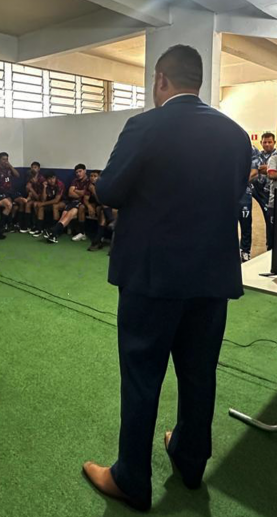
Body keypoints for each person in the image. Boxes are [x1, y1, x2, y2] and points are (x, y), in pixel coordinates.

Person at [81, 44, 251, 511]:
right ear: (199, 80)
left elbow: (109, 190)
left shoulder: (145, 125)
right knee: (199, 374)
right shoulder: (236, 135)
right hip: (211, 276)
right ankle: (191, 461)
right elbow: (234, 193)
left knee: (142, 376)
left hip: (153, 278)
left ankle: (132, 479)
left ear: (161, 80)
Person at [45, 164, 90, 244]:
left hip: (82, 203)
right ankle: (55, 234)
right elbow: (70, 193)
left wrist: (75, 190)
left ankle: (54, 231)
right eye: (76, 172)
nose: (78, 174)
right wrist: (79, 192)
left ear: (85, 171)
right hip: (73, 202)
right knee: (64, 213)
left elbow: (84, 194)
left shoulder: (89, 181)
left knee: (70, 214)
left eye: (80, 171)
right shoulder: (75, 181)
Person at [252, 132, 277, 249]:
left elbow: (275, 170)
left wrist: (265, 168)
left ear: (274, 142)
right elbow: (254, 168)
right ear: (261, 143)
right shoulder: (258, 155)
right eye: (264, 142)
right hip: (257, 189)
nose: (267, 144)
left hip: (271, 191)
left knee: (271, 219)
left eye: (269, 142)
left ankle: (272, 245)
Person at [238, 147, 259, 262]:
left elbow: (254, 172)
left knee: (245, 223)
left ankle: (245, 251)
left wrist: (238, 183)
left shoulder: (250, 149)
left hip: (244, 192)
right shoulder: (224, 146)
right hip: (225, 193)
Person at [31, 171, 64, 237]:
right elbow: (43, 199)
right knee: (40, 206)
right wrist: (44, 188)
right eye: (49, 179)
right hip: (49, 202)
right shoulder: (45, 185)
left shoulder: (60, 184)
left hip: (62, 201)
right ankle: (40, 229)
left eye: (53, 178)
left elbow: (56, 200)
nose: (51, 180)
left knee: (55, 206)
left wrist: (43, 204)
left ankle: (55, 230)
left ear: (55, 178)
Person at [14, 161, 42, 233]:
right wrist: (28, 197)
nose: (33, 169)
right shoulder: (30, 179)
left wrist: (31, 189)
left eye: (35, 167)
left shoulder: (41, 179)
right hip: (32, 198)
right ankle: (27, 225)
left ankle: (37, 226)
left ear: (39, 169)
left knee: (36, 204)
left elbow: (39, 197)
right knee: (27, 204)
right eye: (32, 167)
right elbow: (29, 193)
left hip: (41, 199)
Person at [0, 152, 18, 231]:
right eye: (3, 159)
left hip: (11, 191)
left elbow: (17, 175)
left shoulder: (9, 169)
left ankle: (14, 223)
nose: (5, 161)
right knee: (9, 203)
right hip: (1, 193)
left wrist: (10, 166)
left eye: (6, 159)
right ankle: (3, 225)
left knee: (22, 202)